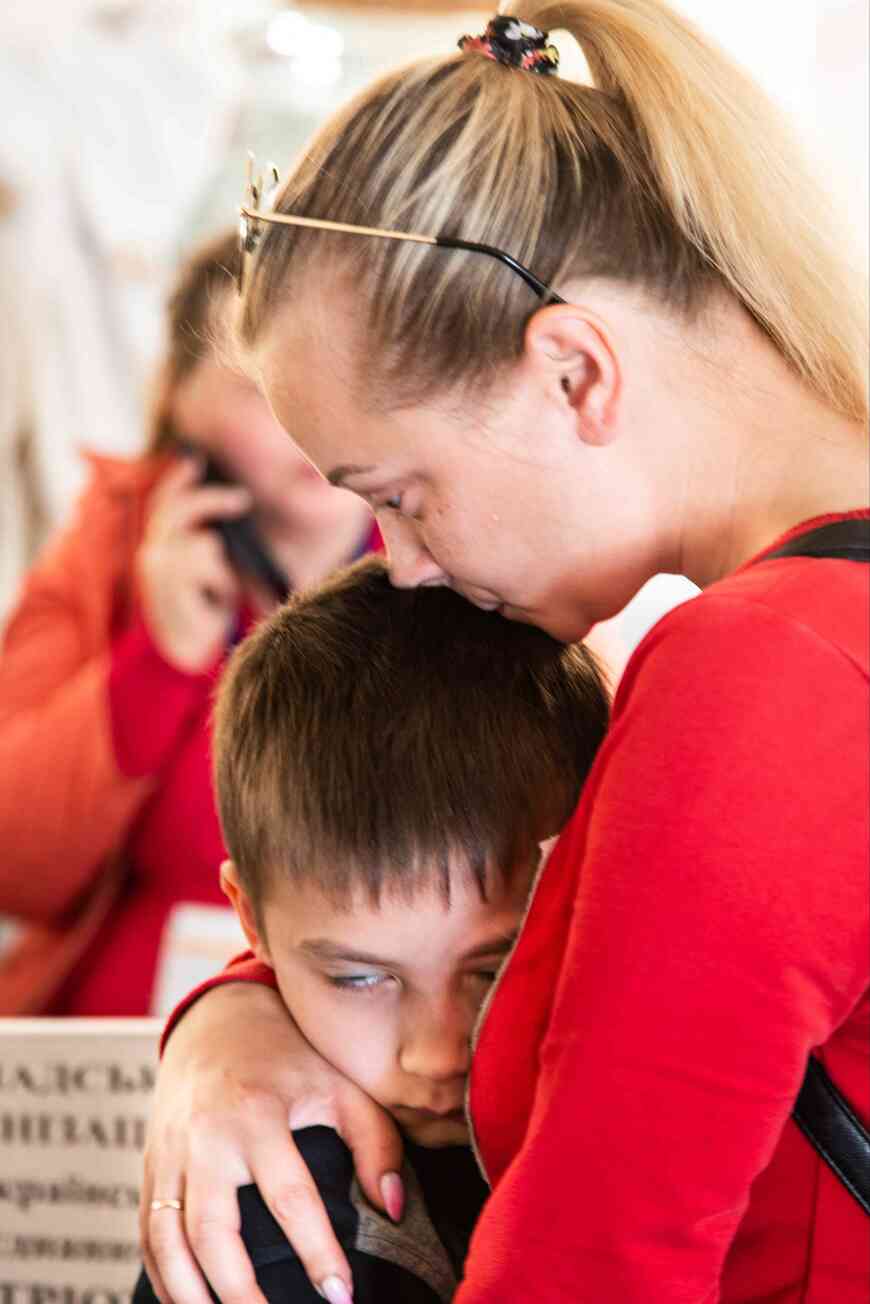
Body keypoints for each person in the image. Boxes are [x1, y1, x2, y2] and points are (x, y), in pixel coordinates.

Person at [141, 3, 869, 1302]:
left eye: (402, 493)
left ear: (574, 372)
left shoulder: (763, 673)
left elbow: (594, 1265)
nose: (402, 565)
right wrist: (244, 1004)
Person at [134, 555, 609, 1304]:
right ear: (249, 920)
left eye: (497, 967)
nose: (437, 1054)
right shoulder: (271, 1213)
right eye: (359, 978)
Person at [0, 228, 375, 1016]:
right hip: (113, 1055)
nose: (314, 417)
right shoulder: (111, 545)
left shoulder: (461, 557)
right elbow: (15, 868)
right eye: (265, 384)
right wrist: (158, 660)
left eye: (348, 372)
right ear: (177, 398)